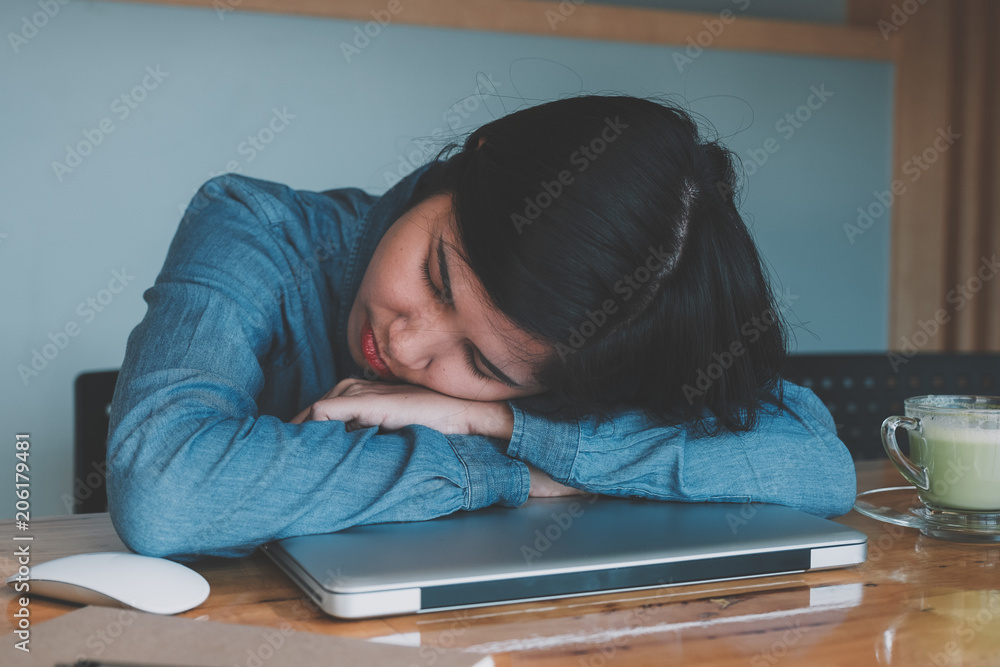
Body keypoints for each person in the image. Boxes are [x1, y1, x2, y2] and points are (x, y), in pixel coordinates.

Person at [106, 95, 855, 561]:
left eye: (483, 363)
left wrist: (493, 420)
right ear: (476, 157)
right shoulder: (253, 231)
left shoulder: (575, 359)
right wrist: (507, 470)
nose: (406, 343)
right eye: (436, 276)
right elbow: (165, 491)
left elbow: (816, 464)